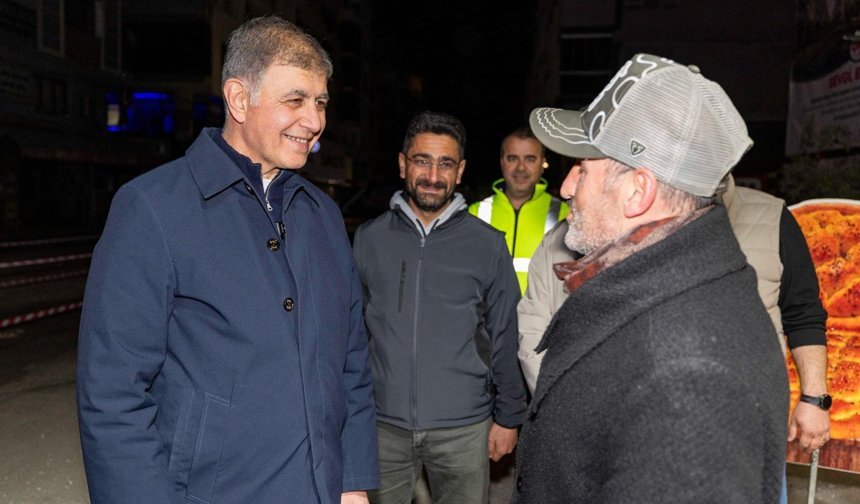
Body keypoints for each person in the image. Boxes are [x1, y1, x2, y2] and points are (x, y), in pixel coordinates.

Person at [76, 16, 378, 504]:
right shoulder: (152, 207)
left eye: (321, 101)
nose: (315, 120)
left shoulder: (323, 215)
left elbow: (351, 366)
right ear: (239, 98)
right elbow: (112, 396)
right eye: (296, 99)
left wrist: (353, 482)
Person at [512, 53, 789, 503]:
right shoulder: (667, 289)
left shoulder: (690, 378)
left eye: (582, 169)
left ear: (638, 191)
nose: (564, 188)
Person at [352, 111, 527, 504]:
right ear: (402, 164)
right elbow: (350, 336)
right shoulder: (369, 239)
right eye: (422, 161)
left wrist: (508, 416)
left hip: (464, 427)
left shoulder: (487, 245)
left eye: (445, 163)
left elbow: (505, 334)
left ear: (460, 170)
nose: (433, 175)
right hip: (383, 426)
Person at [468, 128, 568, 294]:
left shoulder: (564, 214)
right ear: (501, 161)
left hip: (543, 319)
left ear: (542, 163)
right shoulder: (476, 212)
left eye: (530, 159)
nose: (521, 168)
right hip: (487, 318)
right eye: (512, 158)